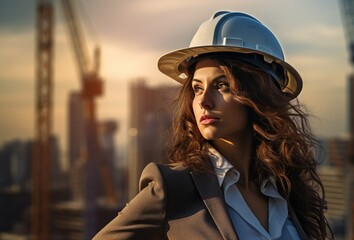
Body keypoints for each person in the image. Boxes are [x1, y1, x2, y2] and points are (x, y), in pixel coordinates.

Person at [93, 11, 333, 240]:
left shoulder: (286, 190)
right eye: (197, 88)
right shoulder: (174, 187)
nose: (204, 101)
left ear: (259, 94)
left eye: (221, 85)